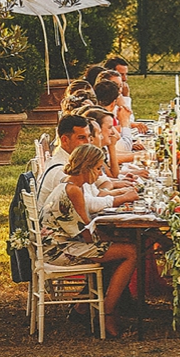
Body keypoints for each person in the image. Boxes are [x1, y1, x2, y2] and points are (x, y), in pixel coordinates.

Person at [38, 143, 137, 337]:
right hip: (58, 250)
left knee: (120, 248)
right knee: (130, 252)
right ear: (86, 167)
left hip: (60, 243)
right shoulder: (73, 190)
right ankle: (106, 314)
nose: (100, 173)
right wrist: (111, 241)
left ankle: (83, 309)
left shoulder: (71, 185)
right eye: (98, 168)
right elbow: (86, 232)